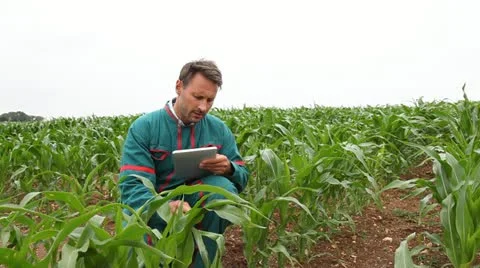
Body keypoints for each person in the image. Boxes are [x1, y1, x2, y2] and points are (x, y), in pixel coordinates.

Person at [119, 59, 249, 267]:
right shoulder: (145, 128)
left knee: (222, 192)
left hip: (194, 199)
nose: (203, 107)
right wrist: (165, 206)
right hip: (155, 205)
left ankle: (202, 261)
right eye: (197, 97)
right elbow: (132, 186)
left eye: (210, 100)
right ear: (179, 87)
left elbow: (242, 176)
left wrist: (229, 168)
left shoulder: (218, 129)